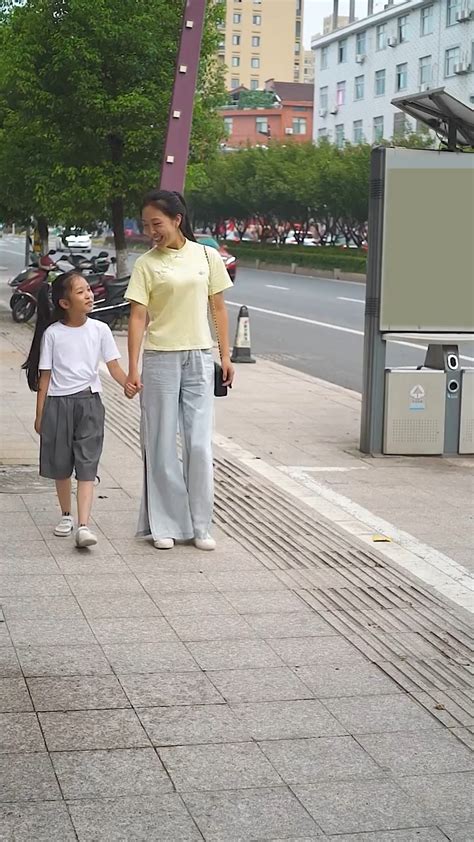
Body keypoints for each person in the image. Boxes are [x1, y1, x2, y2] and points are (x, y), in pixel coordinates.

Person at [125, 189, 234, 551]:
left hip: (200, 357)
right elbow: (138, 316)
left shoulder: (207, 256)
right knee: (160, 443)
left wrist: (226, 355)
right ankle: (166, 524)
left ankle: (201, 525)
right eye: (146, 225)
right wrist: (133, 366)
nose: (150, 231)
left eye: (156, 223)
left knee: (199, 444)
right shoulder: (146, 264)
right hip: (159, 360)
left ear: (177, 219)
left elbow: (217, 308)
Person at [23, 271, 136, 548]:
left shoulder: (100, 330)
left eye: (89, 289)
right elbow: (45, 377)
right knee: (61, 464)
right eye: (81, 291)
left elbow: (113, 367)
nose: (89, 294)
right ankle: (66, 515)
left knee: (87, 463)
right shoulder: (52, 334)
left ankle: (84, 525)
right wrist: (39, 415)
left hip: (90, 404)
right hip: (58, 404)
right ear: (64, 302)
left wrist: (128, 383)